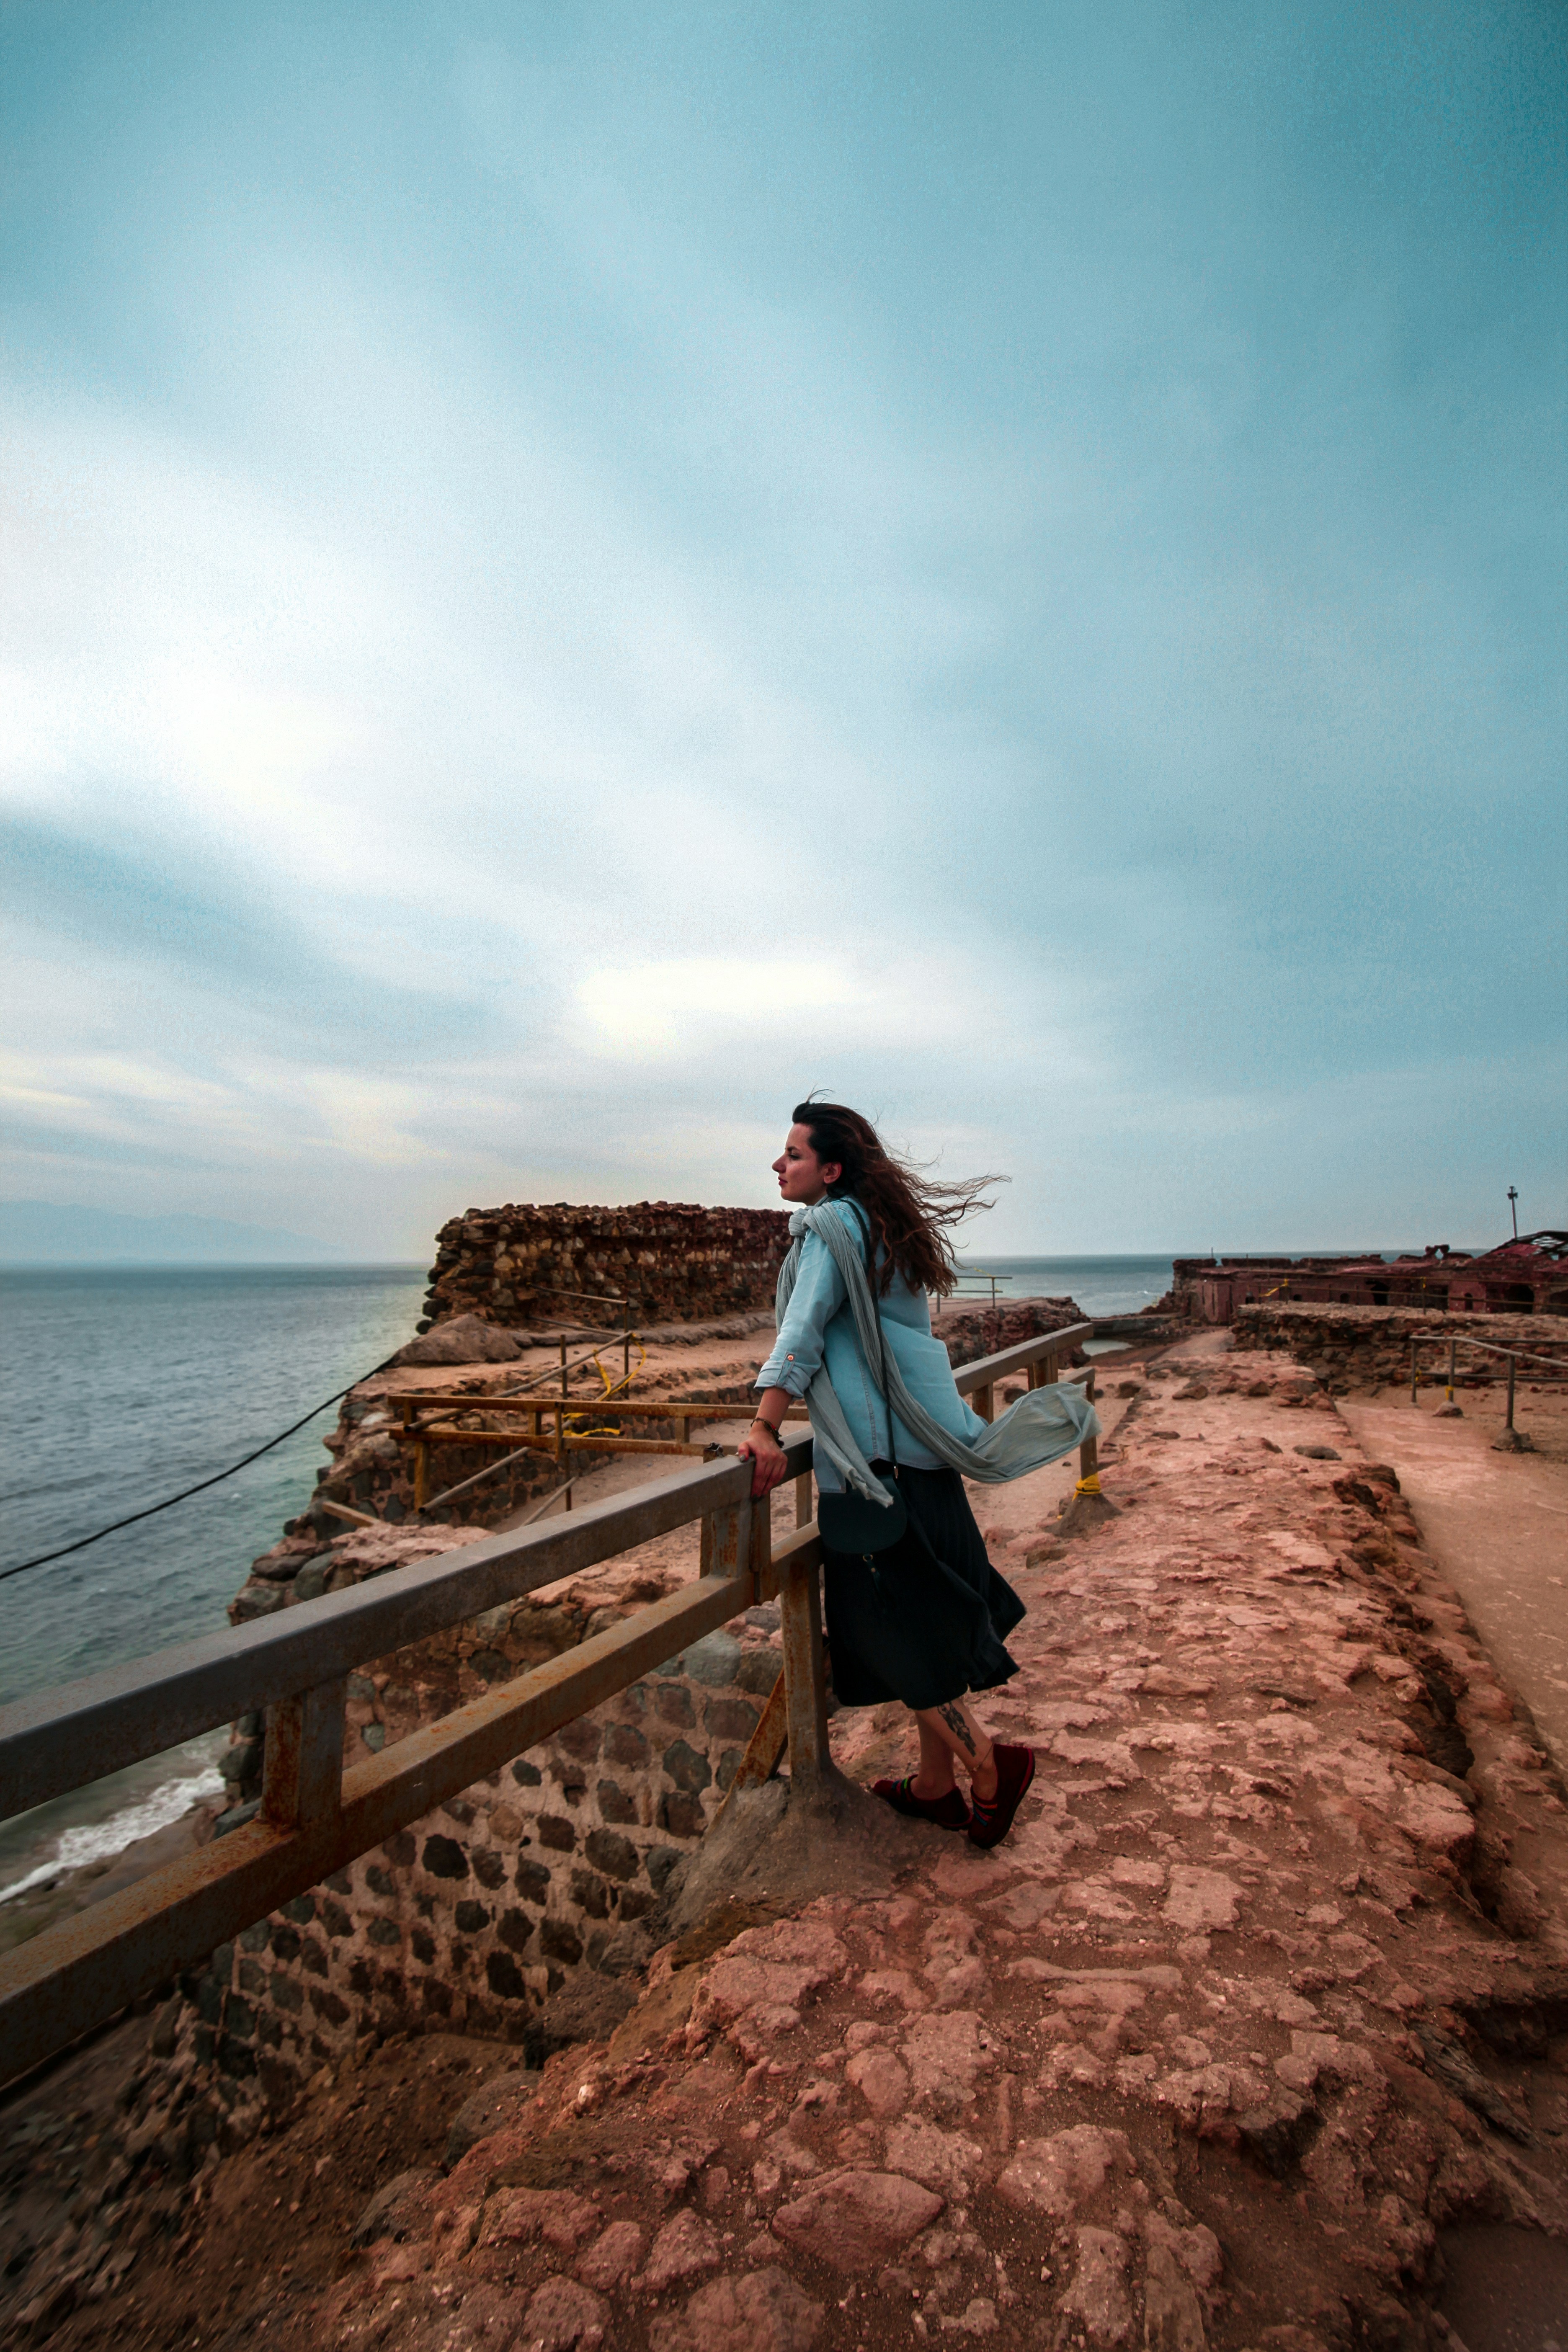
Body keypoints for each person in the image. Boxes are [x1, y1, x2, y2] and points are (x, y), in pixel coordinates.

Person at [738, 1099, 1096, 1849]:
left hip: (875, 1470)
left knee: (885, 1636)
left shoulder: (830, 1229)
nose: (779, 1165)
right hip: (923, 1456)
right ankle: (935, 1789)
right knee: (928, 1627)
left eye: (793, 1154)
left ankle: (993, 1768)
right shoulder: (881, 1230)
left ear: (830, 1171)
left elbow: (800, 1335)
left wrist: (766, 1425)